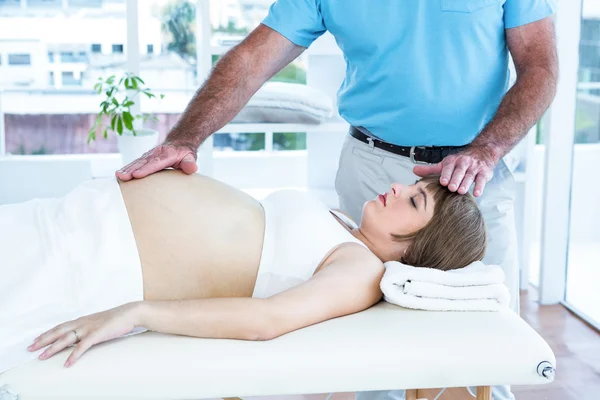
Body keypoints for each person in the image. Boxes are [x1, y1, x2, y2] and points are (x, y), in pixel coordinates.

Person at [115, 2, 558, 398]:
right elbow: (252, 60)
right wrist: (184, 138)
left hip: (476, 170)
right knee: (368, 350)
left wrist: (488, 148)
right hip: (372, 160)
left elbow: (540, 65)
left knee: (488, 352)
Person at [0, 171, 486, 373]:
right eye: (414, 185)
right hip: (76, 221)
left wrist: (137, 312)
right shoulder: (344, 229)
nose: (398, 186)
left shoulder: (361, 272)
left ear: (422, 246)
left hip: (90, 264)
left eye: (414, 199)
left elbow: (265, 320)